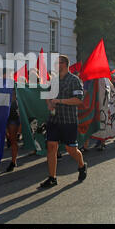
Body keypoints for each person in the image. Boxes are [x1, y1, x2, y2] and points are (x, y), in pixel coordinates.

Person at [39, 55, 87, 188]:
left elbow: (78, 100)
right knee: (51, 147)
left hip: (68, 120)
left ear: (64, 64)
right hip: (54, 120)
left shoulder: (74, 80)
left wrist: (59, 101)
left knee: (71, 149)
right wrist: (49, 104)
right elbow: (47, 95)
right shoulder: (53, 80)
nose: (55, 65)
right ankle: (52, 177)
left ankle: (82, 165)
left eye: (57, 63)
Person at [6, 90, 20, 172]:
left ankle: (13, 161)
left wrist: (19, 131)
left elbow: (21, 113)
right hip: (4, 116)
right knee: (9, 138)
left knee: (13, 140)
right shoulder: (2, 86)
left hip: (13, 118)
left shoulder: (16, 88)